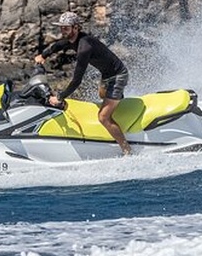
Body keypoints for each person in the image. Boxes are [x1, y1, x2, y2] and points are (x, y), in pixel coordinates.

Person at [34, 11, 132, 156]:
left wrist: (60, 97)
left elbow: (77, 80)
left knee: (103, 117)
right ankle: (115, 101)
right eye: (61, 27)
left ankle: (127, 150)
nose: (62, 31)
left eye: (66, 28)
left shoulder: (84, 47)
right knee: (102, 96)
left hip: (118, 76)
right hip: (107, 75)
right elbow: (59, 45)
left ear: (76, 27)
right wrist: (43, 55)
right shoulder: (73, 39)